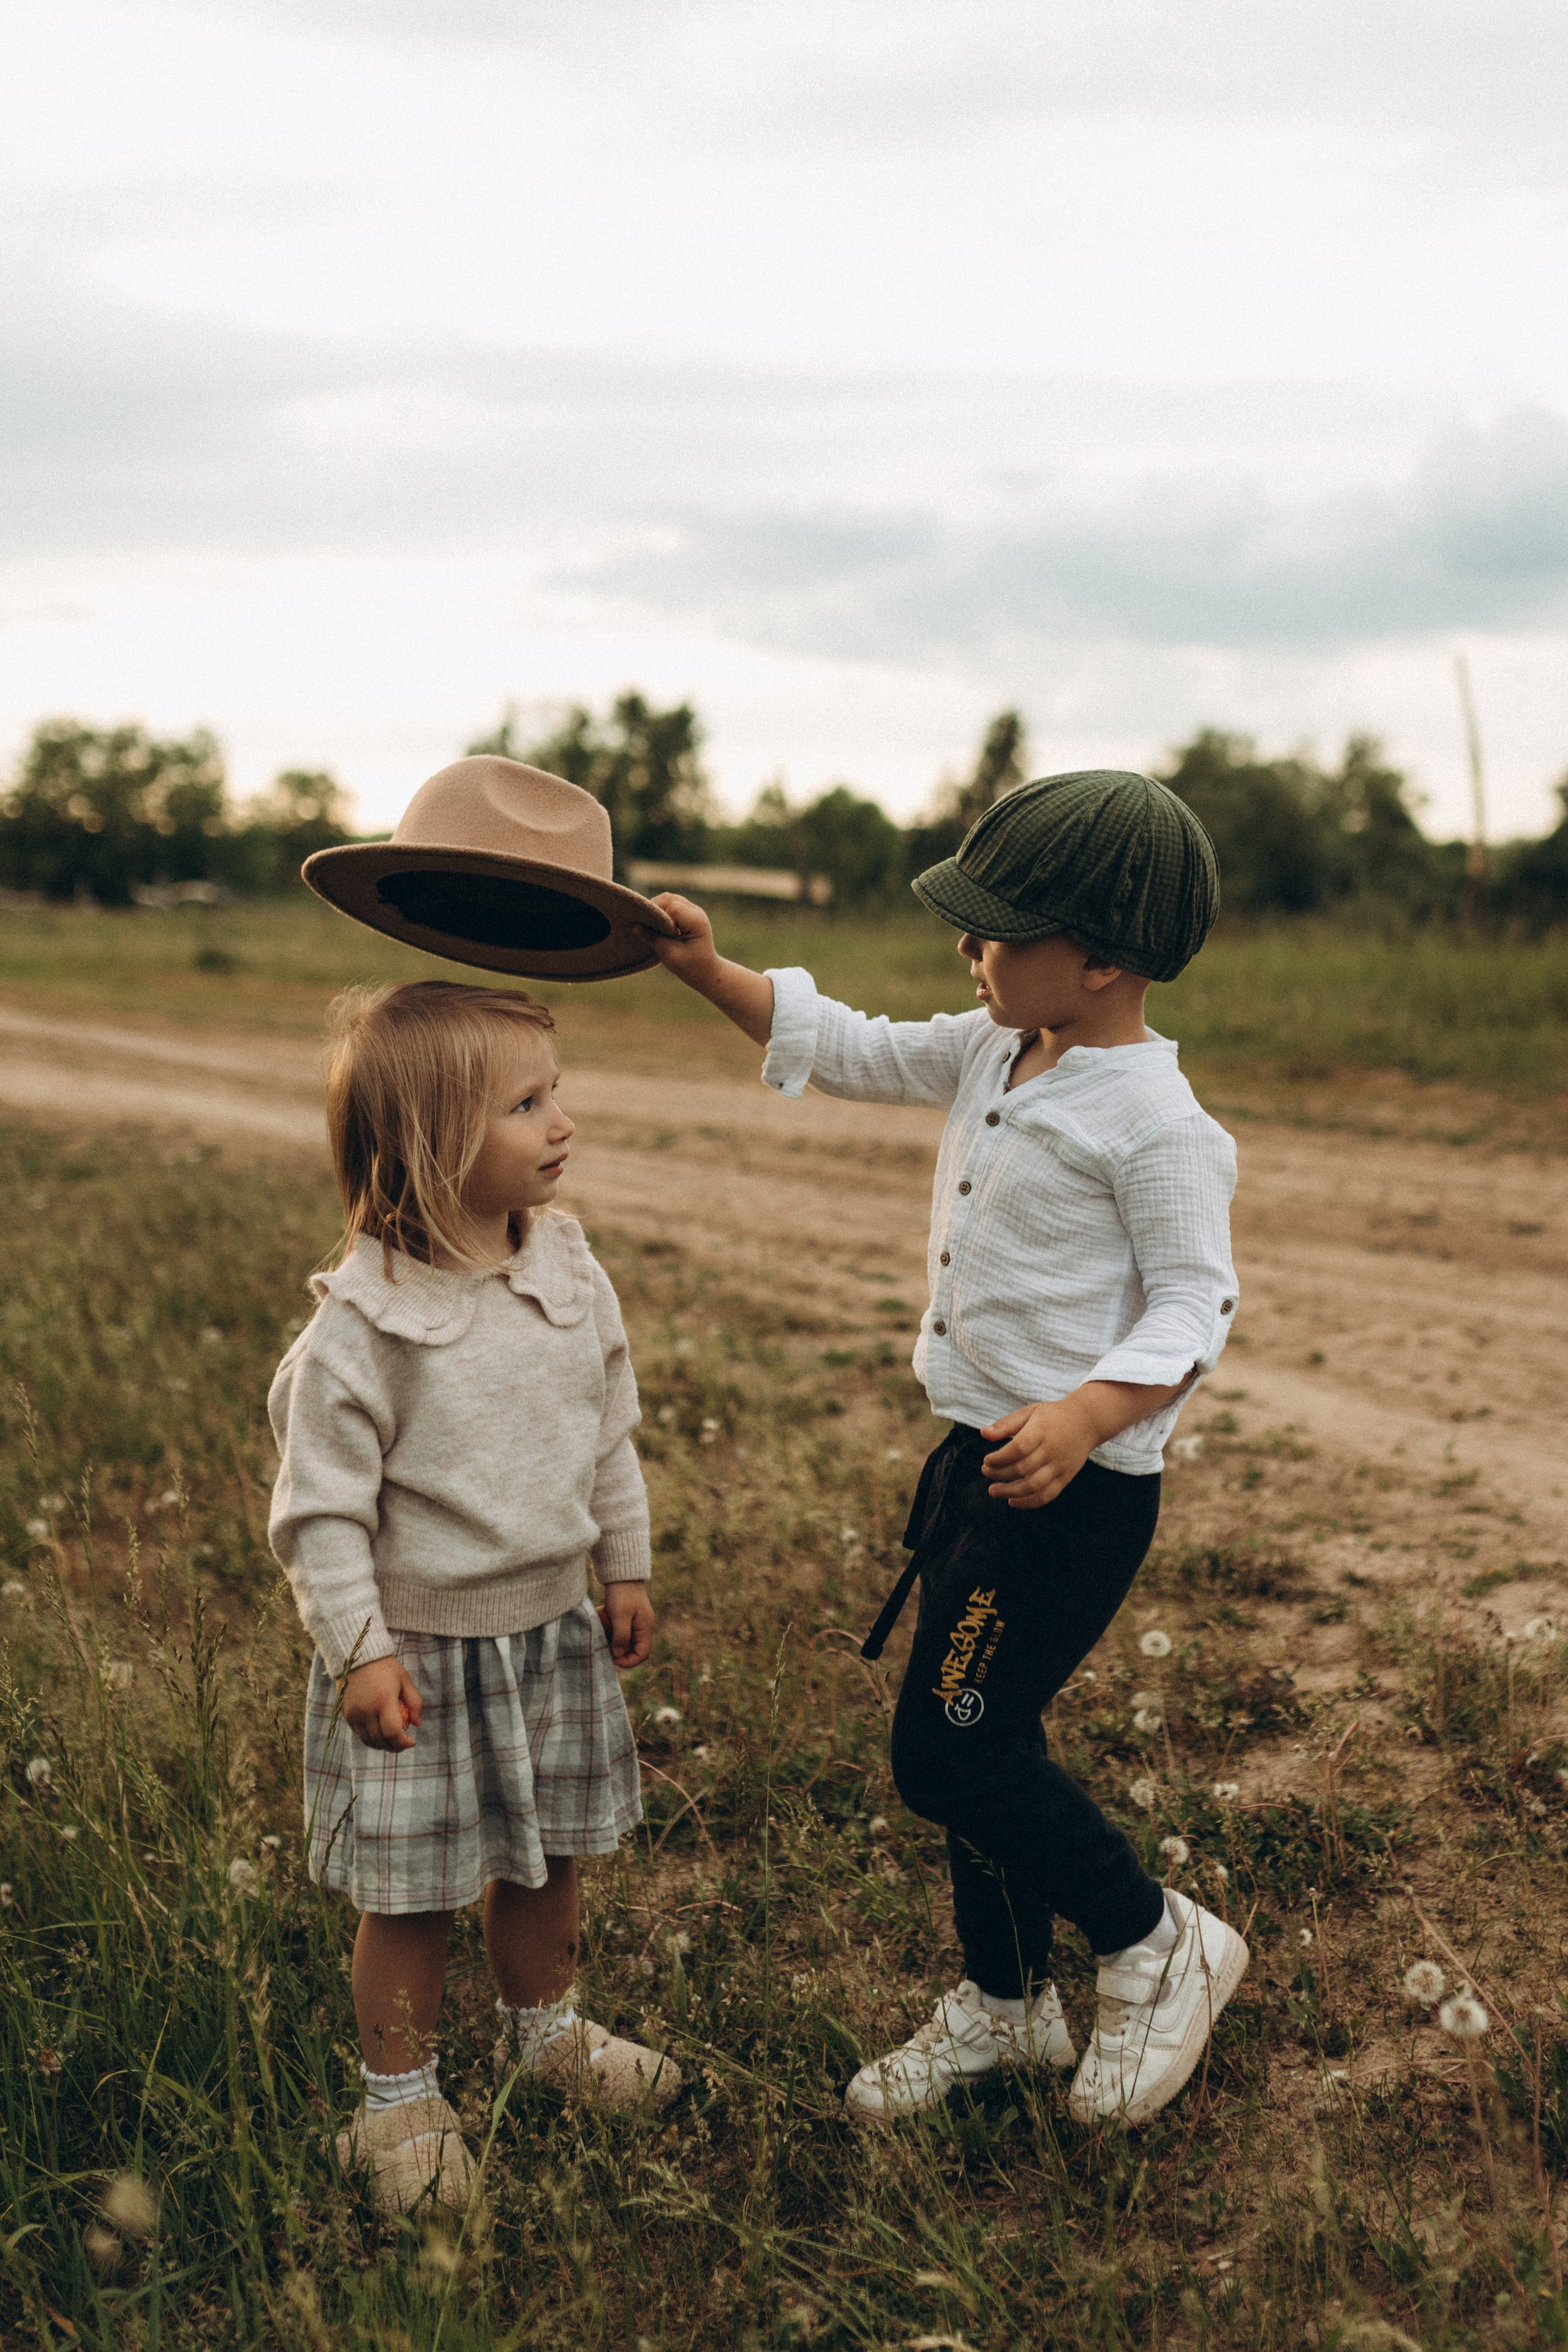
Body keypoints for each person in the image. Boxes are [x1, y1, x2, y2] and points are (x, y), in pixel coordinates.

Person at [642, 769, 1247, 2129]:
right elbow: (849, 1045)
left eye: (993, 930)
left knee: (947, 1753)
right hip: (975, 1472)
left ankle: (1153, 1941)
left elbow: (1193, 1303)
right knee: (983, 1728)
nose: (965, 951)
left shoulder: (1154, 1125)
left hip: (1071, 1500)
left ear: (1094, 961)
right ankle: (1006, 2004)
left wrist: (1091, 1411)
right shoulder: (994, 1048)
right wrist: (706, 970)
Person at [268, 979, 679, 2213]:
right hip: (423, 1660)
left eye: (555, 1094)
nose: (562, 1124)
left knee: (550, 1857)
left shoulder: (564, 1262)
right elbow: (320, 1513)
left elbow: (608, 1425)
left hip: (548, 1631)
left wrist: (625, 1561)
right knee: (413, 1893)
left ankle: (543, 2036)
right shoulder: (366, 1326)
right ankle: (395, 2108)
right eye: (524, 1104)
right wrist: (358, 1651)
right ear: (431, 1140)